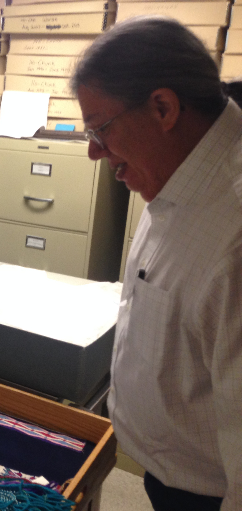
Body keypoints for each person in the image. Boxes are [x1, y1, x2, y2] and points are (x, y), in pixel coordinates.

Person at [70, 16, 242, 511]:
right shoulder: (181, 169)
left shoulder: (234, 234)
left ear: (163, 107)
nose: (93, 151)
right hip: (167, 472)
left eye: (101, 128)